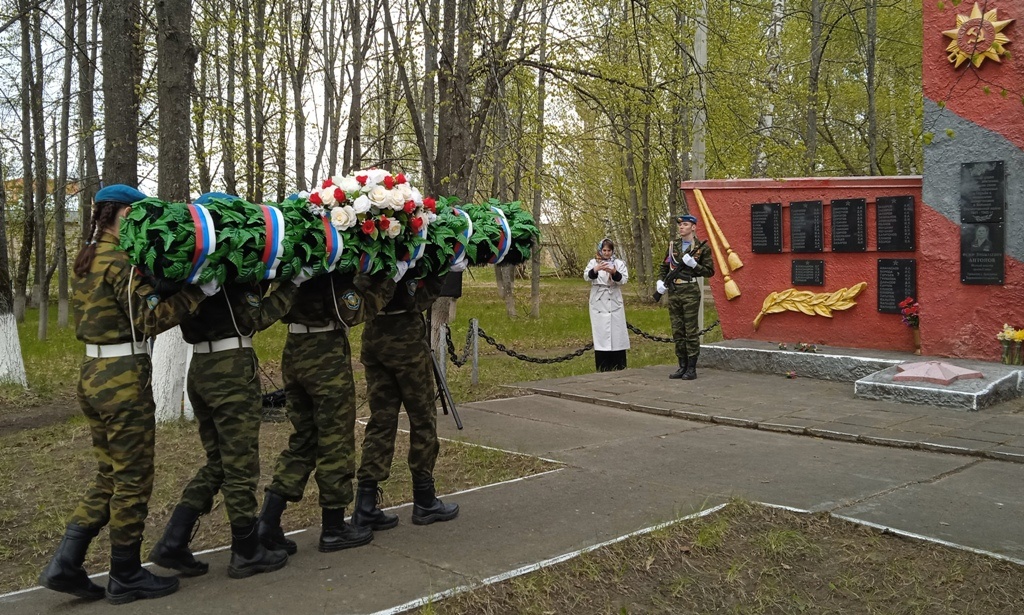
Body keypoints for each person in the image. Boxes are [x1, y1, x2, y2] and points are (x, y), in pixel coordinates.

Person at [39, 185, 208, 605]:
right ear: (124, 214)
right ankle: (126, 573)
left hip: (92, 373)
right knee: (132, 478)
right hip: (122, 379)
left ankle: (66, 562)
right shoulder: (121, 263)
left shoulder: (87, 257)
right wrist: (196, 293)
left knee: (109, 476)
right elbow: (149, 320)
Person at [148, 193, 308, 580]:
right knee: (240, 466)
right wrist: (292, 287)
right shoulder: (233, 276)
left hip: (200, 367)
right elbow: (255, 319)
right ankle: (246, 549)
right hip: (231, 370)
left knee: (218, 462)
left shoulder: (191, 270)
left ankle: (173, 540)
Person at [256, 267, 398, 555]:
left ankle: (267, 522)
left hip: (294, 348)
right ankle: (334, 526)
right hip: (324, 352)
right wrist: (390, 276)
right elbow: (354, 311)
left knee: (303, 440)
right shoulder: (329, 269)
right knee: (336, 439)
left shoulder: (294, 262)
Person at [350, 258, 467, 531]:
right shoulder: (413, 260)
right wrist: (440, 271)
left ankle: (365, 502)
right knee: (422, 417)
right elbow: (418, 301)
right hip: (406, 341)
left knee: (381, 419)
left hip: (374, 336)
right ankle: (424, 498)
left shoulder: (369, 256)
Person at [657, 213, 714, 380]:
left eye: (686, 225)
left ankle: (691, 367)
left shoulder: (702, 248)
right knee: (677, 330)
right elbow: (665, 266)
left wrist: (695, 265)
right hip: (674, 290)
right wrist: (660, 281)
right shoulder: (672, 245)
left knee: (690, 330)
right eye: (680, 225)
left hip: (690, 290)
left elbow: (709, 271)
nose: (682, 227)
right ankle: (681, 365)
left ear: (693, 227)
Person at [584, 238, 630, 371]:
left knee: (617, 333)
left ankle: (618, 364)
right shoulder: (593, 262)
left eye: (609, 250)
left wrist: (614, 272)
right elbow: (587, 276)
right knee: (601, 333)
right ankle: (603, 365)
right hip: (599, 299)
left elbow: (624, 280)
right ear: (600, 250)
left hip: (614, 297)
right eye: (604, 250)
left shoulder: (618, 263)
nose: (607, 253)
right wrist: (596, 269)